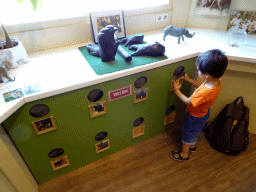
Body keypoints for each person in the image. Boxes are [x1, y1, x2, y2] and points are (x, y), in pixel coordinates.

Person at [170, 49, 228, 162]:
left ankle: (184, 154)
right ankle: (192, 146)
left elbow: (188, 101)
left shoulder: (205, 92)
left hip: (194, 116)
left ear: (207, 75)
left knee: (187, 134)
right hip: (204, 113)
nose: (197, 70)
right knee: (195, 132)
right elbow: (201, 85)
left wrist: (176, 90)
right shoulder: (216, 81)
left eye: (199, 70)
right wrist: (189, 79)